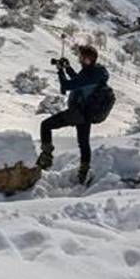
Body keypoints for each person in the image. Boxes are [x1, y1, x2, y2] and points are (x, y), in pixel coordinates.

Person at [37, 45, 109, 183]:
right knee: (83, 143)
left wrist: (60, 71)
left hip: (78, 113)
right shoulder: (94, 72)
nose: (80, 59)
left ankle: (46, 157)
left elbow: (68, 85)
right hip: (86, 113)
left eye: (82, 57)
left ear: (88, 59)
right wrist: (68, 68)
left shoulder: (89, 74)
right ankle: (84, 172)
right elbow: (79, 81)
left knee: (46, 125)